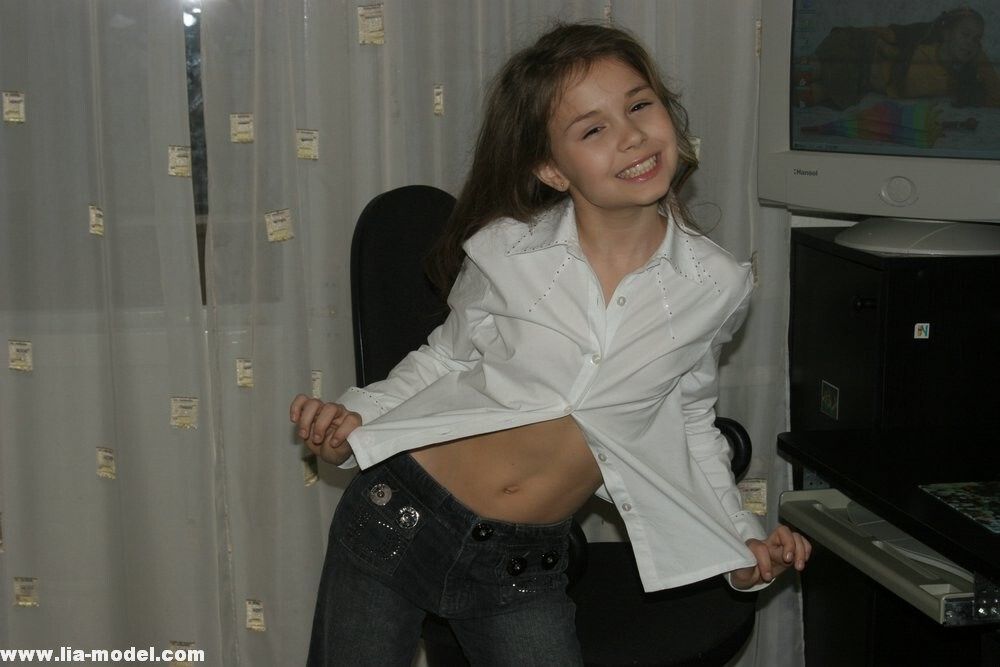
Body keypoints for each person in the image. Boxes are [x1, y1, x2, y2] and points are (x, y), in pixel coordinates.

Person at [291, 22, 811, 666]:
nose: (631, 136)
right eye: (593, 130)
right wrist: (356, 420)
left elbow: (686, 420)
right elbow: (444, 359)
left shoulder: (716, 285)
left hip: (522, 566)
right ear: (551, 169)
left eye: (639, 105)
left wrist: (738, 543)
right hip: (399, 515)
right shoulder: (507, 250)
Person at [794, 7, 1000, 109]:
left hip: (861, 81)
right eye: (965, 34)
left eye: (977, 39)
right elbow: (889, 34)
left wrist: (978, 55)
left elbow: (996, 96)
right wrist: (857, 35)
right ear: (946, 33)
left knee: (815, 94)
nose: (971, 42)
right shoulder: (923, 39)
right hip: (861, 52)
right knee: (814, 68)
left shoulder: (958, 79)